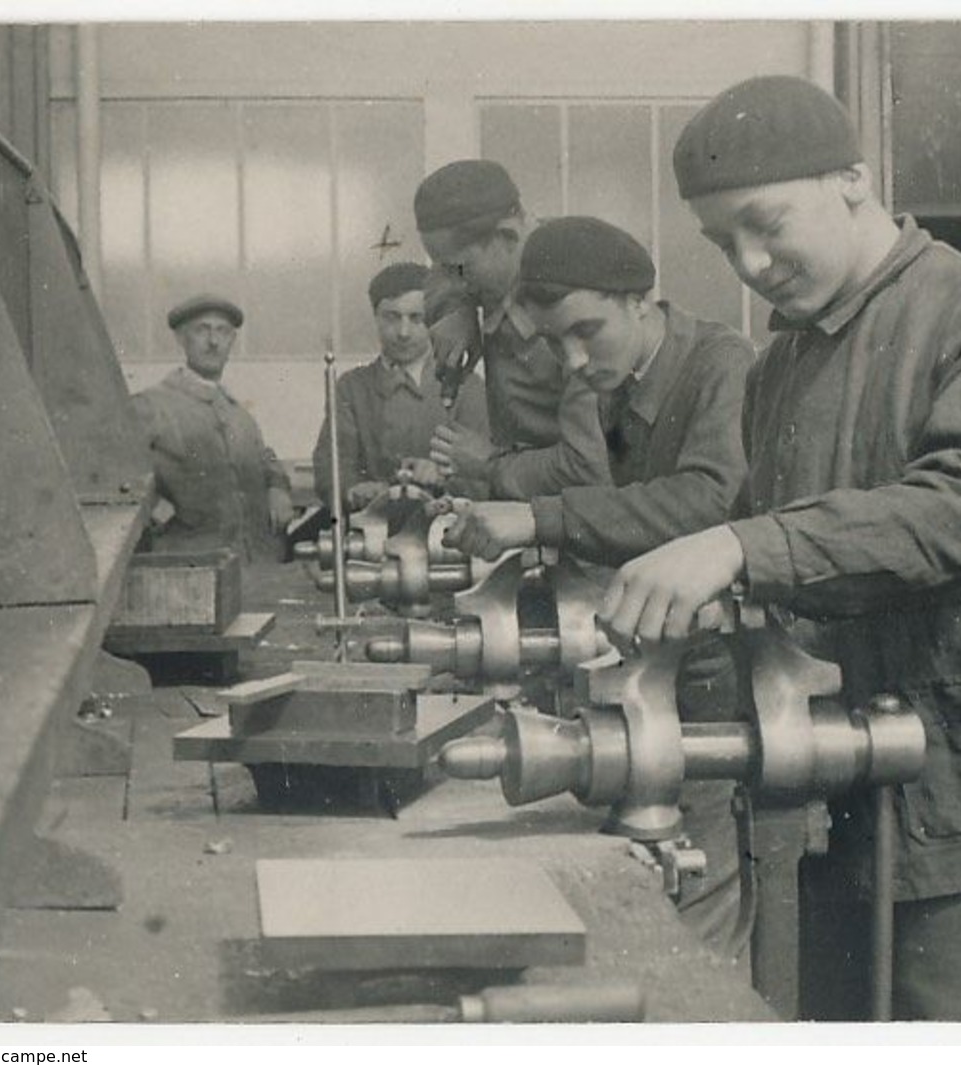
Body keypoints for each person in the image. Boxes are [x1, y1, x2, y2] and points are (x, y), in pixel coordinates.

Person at [597, 75, 961, 1021]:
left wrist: (734, 544)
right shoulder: (778, 367)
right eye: (721, 243)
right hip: (815, 809)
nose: (750, 262)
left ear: (854, 178)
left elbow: (954, 517)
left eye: (764, 223)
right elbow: (769, 573)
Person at [446, 216, 755, 959]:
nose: (575, 360)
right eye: (555, 343)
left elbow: (708, 499)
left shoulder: (720, 364)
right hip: (667, 671)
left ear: (639, 301)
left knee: (691, 930)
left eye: (587, 331)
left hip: (729, 685)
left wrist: (537, 515)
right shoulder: (622, 379)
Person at [412, 160, 610, 500]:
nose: (450, 276)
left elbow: (590, 467)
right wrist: (456, 310)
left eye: (459, 269)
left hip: (580, 514)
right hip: (521, 506)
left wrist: (489, 463)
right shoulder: (489, 260)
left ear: (507, 234)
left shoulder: (579, 292)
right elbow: (440, 277)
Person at [310, 262, 489, 511]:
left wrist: (442, 477)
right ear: (375, 317)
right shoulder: (351, 388)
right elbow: (331, 467)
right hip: (369, 533)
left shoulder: (467, 387)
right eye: (392, 317)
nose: (403, 332)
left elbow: (487, 478)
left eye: (417, 319)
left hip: (445, 538)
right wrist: (353, 489)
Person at [131, 295, 293, 562]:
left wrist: (278, 487)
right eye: (201, 330)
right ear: (181, 339)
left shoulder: (239, 415)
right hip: (188, 564)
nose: (213, 341)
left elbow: (265, 457)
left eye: (222, 331)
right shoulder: (150, 406)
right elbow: (114, 473)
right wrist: (156, 512)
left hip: (254, 564)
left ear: (232, 341)